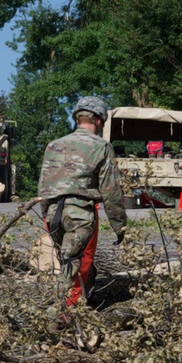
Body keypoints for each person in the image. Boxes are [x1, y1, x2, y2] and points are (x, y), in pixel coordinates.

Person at [37, 96, 127, 327]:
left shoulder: (53, 145)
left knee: (69, 261)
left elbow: (44, 185)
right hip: (81, 214)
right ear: (97, 120)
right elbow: (111, 190)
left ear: (78, 117)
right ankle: (62, 317)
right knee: (77, 264)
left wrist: (46, 214)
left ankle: (80, 305)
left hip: (54, 214)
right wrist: (119, 226)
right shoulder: (101, 146)